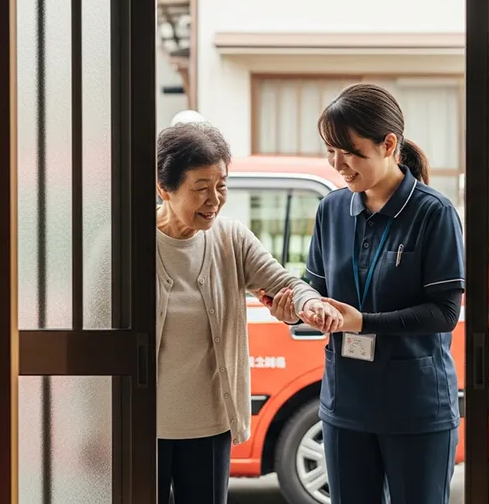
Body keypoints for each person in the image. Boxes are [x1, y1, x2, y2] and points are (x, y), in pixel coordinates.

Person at [152, 121, 341, 504]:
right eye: (200, 188)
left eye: (221, 185)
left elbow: (286, 283)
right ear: (164, 189)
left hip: (208, 426)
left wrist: (308, 305)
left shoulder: (231, 239)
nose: (214, 200)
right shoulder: (123, 243)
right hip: (139, 426)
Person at [295, 83, 465, 503]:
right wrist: (299, 306)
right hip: (345, 405)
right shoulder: (332, 209)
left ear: (388, 145)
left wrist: (363, 322)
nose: (338, 164)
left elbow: (444, 313)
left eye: (349, 152)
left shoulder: (434, 213)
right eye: (330, 151)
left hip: (415, 407)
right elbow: (315, 289)